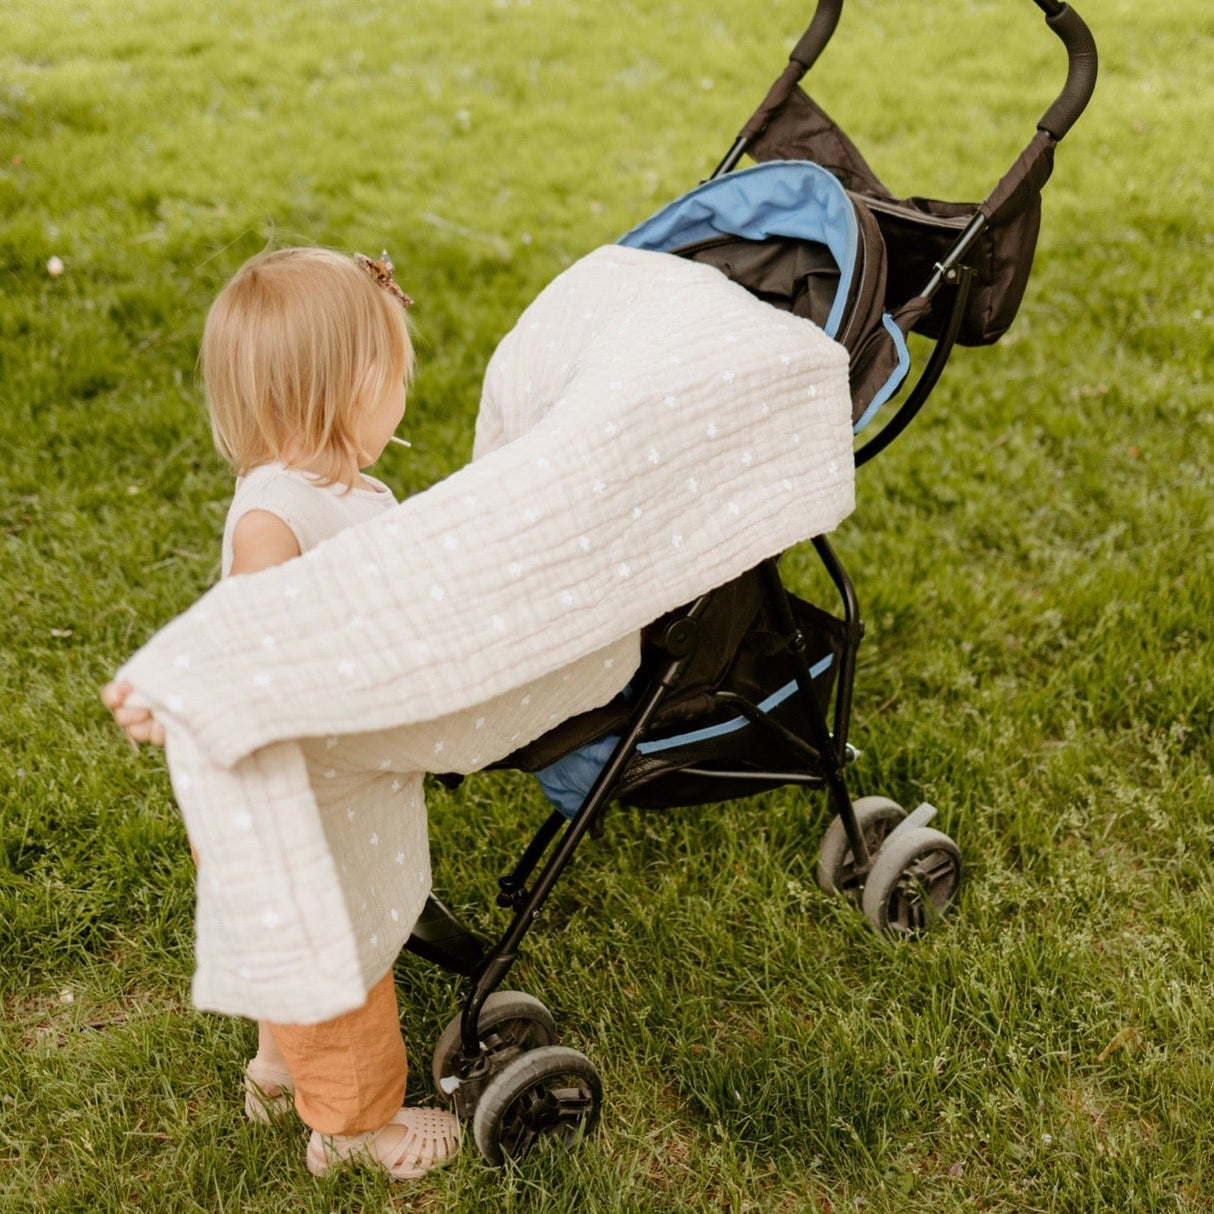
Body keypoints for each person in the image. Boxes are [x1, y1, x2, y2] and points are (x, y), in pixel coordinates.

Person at [101, 246, 461, 1181]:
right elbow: (242, 629)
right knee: (335, 957)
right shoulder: (276, 519)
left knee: (297, 938)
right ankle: (354, 1129)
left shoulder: (332, 490)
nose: (404, 395)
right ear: (351, 388)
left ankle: (273, 1068)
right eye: (397, 378)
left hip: (331, 774)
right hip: (294, 790)